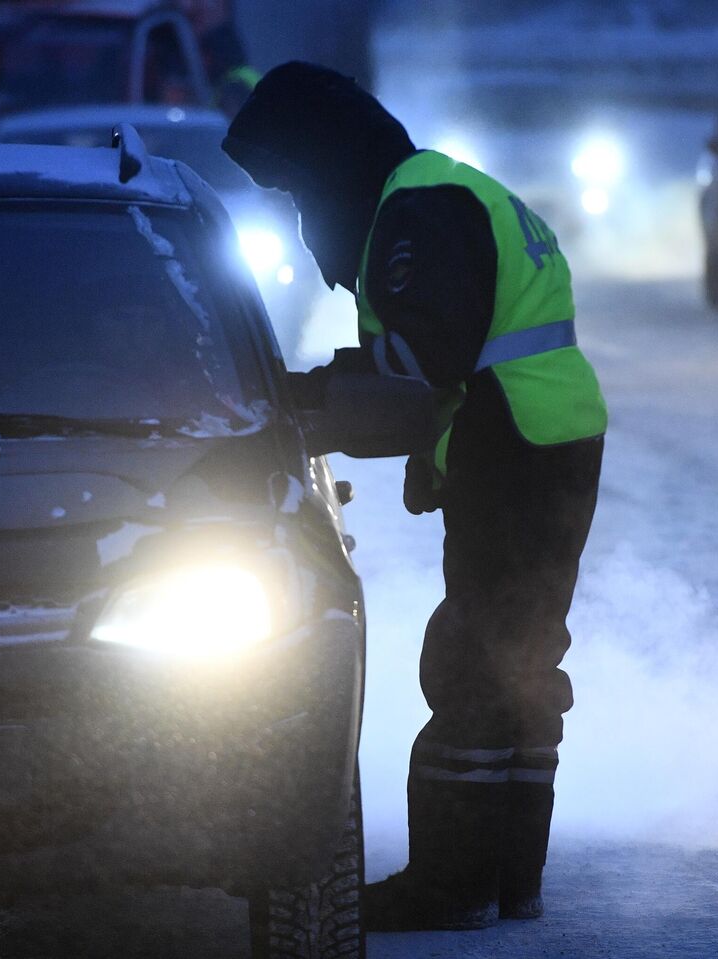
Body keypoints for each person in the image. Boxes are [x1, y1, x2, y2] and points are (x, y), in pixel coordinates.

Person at [222, 62, 607, 931]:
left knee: (472, 661)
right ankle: (512, 878)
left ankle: (453, 885)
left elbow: (415, 367)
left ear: (325, 159)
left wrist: (304, 406)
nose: (294, 208)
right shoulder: (440, 189)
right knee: (518, 659)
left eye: (290, 183)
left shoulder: (416, 212)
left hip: (512, 443)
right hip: (546, 438)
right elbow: (446, 357)